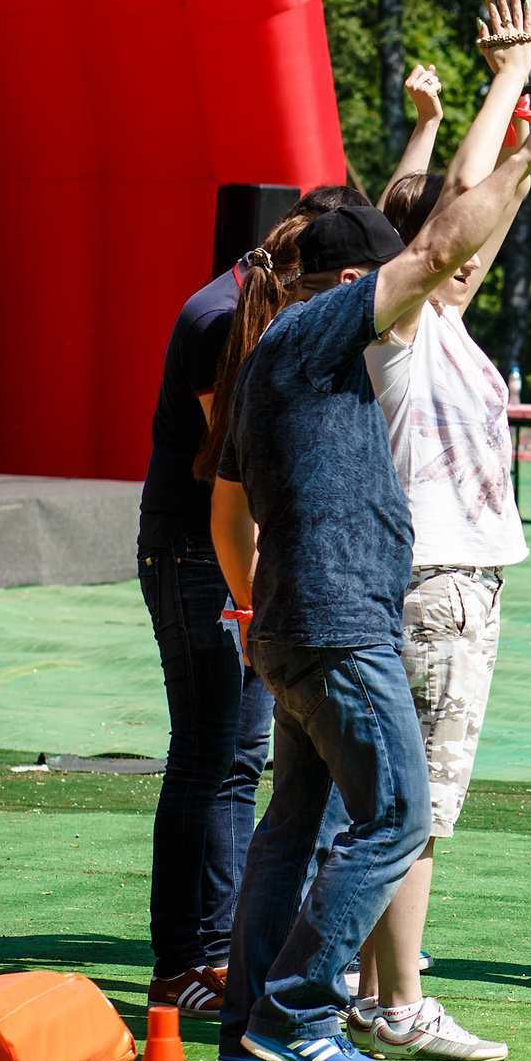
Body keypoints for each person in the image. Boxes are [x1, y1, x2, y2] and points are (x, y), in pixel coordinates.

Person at [211, 77, 531, 1061]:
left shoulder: (268, 348)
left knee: (293, 829)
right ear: (345, 281)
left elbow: (229, 511)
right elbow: (438, 246)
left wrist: (251, 608)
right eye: (380, 272)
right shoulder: (325, 329)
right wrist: (519, 164)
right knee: (398, 820)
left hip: (291, 623)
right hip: (338, 625)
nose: (403, 287)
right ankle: (300, 1013)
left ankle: (250, 1029)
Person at [343, 0, 531, 1061]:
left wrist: (497, 129)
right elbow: (458, 201)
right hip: (433, 584)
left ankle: (372, 986)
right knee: (410, 809)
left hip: (460, 584)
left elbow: (475, 210)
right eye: (451, 241)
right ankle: (395, 1000)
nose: (477, 249)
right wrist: (507, 81)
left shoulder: (446, 323)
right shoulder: (401, 321)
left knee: (403, 806)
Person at [135, 179, 371, 1018]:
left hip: (234, 549)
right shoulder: (215, 316)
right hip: (196, 550)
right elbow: (228, 462)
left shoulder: (260, 300)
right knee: (209, 755)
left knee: (237, 759)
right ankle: (184, 963)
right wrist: (253, 591)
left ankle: (222, 951)